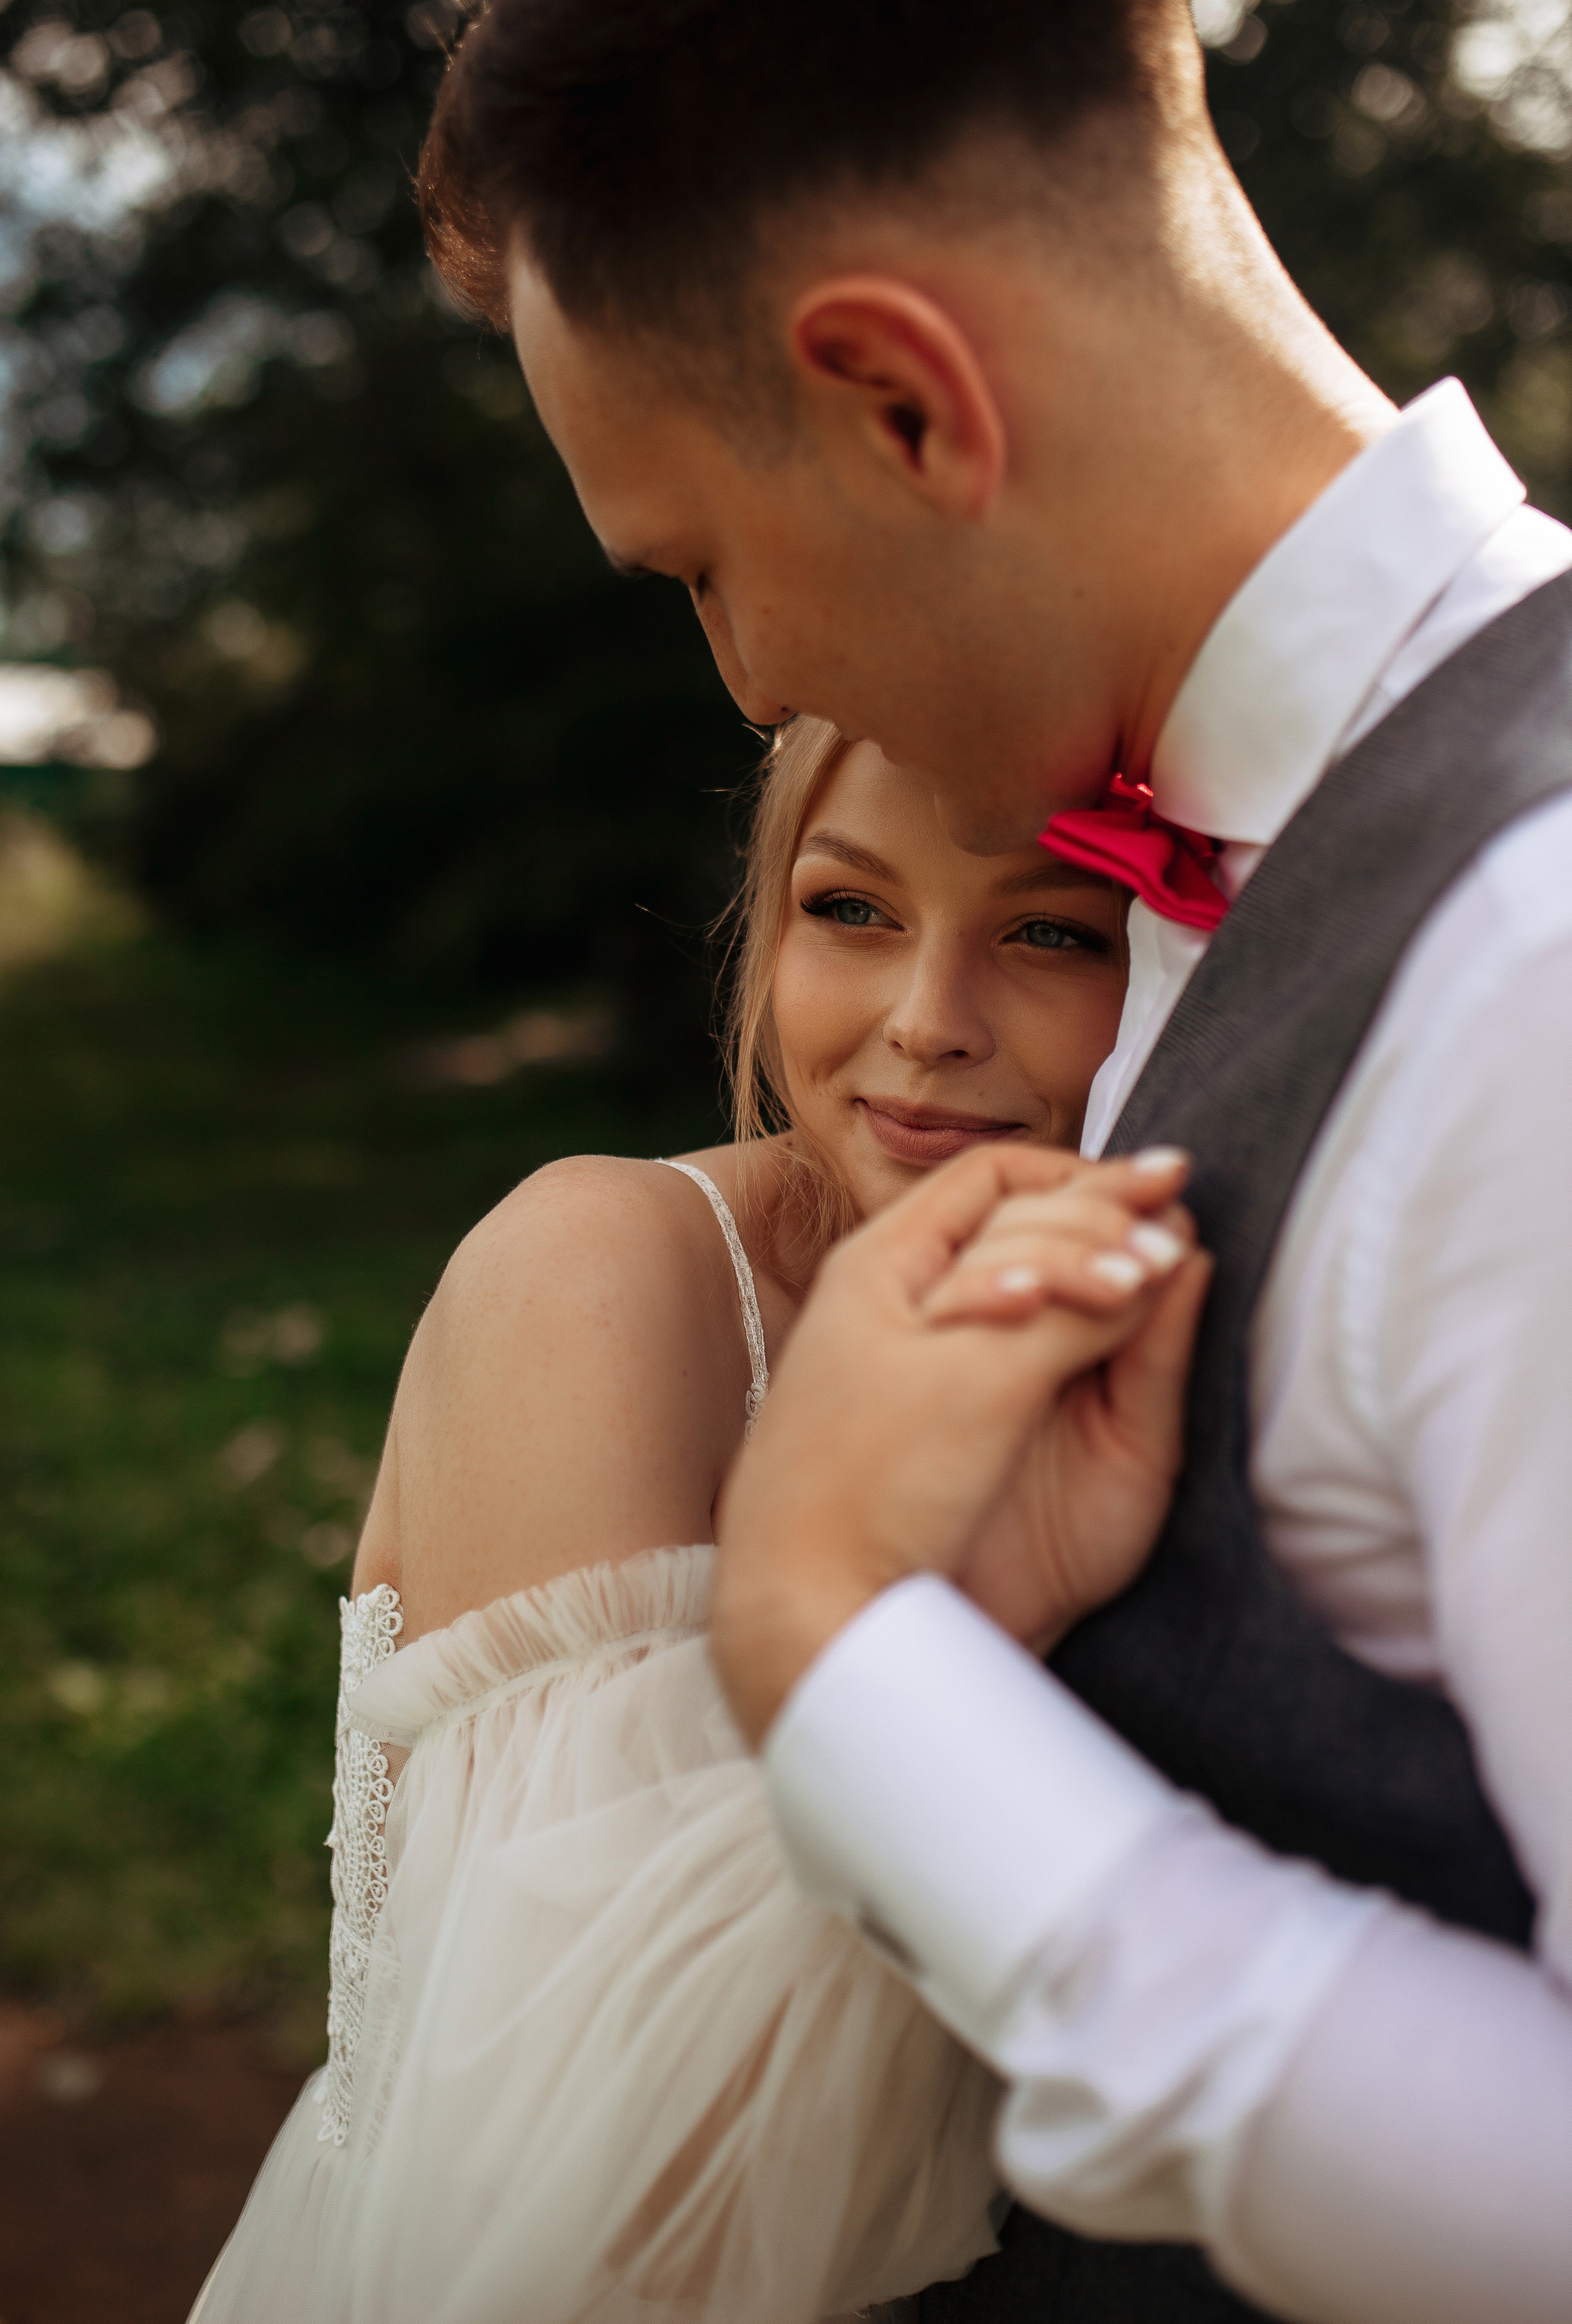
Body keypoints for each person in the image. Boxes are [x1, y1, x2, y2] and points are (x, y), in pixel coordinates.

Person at [416, 0, 1572, 2320]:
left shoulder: (1536, 957)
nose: (748, 688)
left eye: (701, 567)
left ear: (906, 400)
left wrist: (842, 1655)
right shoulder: (1231, 885)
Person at [186, 722, 1210, 2324]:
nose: (924, 1024)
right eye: (848, 910)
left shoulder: (1159, 1337)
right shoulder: (604, 1275)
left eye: (1047, 933)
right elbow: (610, 2195)